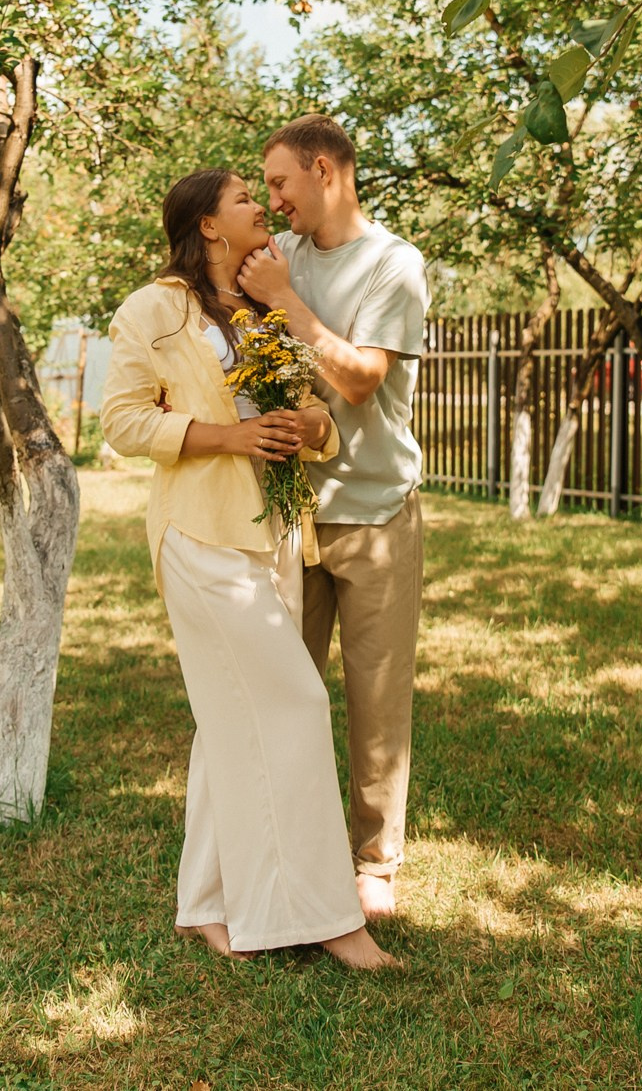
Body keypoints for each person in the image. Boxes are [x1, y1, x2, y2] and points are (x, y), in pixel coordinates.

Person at [100, 167, 397, 969]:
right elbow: (124, 421)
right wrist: (228, 436)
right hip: (200, 538)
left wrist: (305, 426)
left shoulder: (265, 311)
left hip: (274, 540)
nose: (261, 208)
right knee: (298, 702)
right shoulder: (152, 310)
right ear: (206, 226)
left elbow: (323, 425)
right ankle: (330, 917)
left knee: (227, 722)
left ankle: (205, 905)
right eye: (244, 199)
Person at [237, 114, 430, 923]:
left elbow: (358, 382)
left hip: (375, 511)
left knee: (376, 696)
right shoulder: (280, 262)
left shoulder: (393, 263)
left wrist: (284, 300)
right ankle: (289, 845)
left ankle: (373, 861)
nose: (272, 199)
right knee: (284, 688)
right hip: (289, 513)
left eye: (279, 181)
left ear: (325, 170)